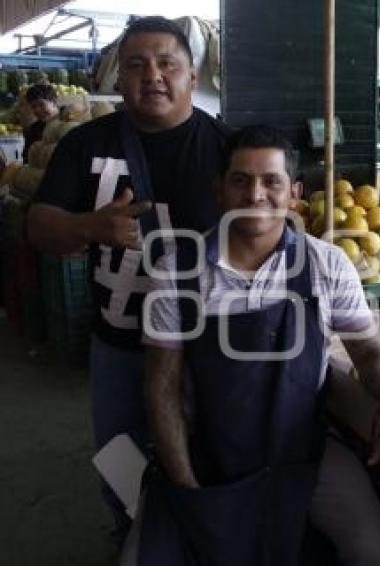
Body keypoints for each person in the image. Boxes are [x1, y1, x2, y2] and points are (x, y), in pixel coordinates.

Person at [134, 125, 380, 566]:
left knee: (377, 550)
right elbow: (162, 387)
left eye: (272, 182)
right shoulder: (177, 271)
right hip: (210, 455)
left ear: (293, 192)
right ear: (219, 190)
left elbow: (369, 351)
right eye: (240, 180)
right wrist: (187, 488)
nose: (256, 195)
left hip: (303, 452)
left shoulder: (327, 263)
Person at [27, 16, 229, 543]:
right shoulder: (82, 145)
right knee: (119, 452)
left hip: (204, 345)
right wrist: (87, 226)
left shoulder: (226, 150)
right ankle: (131, 536)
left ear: (191, 75)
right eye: (136, 65)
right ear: (119, 78)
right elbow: (39, 226)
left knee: (202, 450)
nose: (153, 76)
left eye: (168, 64)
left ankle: (193, 537)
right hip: (118, 340)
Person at [22, 83, 60, 163]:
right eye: (33, 106)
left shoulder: (70, 120)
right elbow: (27, 159)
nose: (37, 110)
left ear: (54, 102)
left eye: (41, 104)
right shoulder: (33, 130)